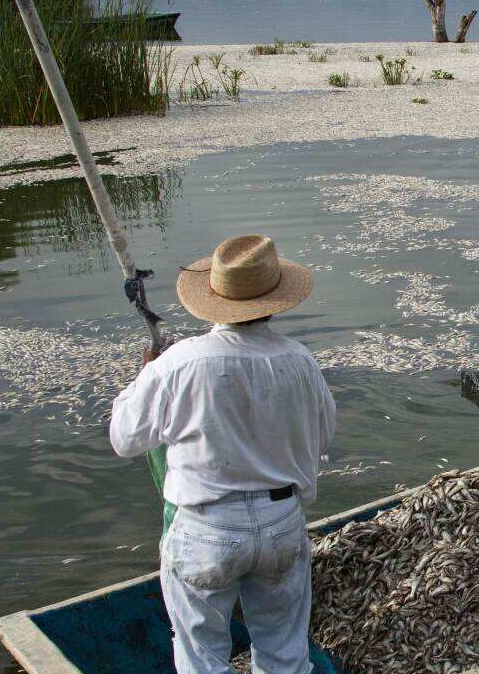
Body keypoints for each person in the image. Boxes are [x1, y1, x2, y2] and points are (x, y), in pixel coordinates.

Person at [110, 235, 336, 674]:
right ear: (273, 302)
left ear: (213, 300)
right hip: (281, 523)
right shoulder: (300, 360)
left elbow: (124, 438)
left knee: (203, 660)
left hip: (206, 529)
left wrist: (144, 375)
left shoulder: (179, 362)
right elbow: (323, 432)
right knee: (285, 655)